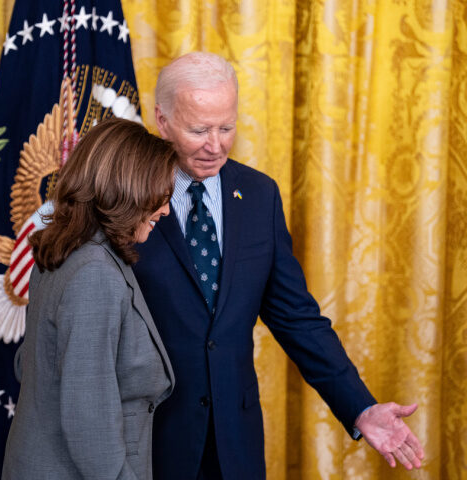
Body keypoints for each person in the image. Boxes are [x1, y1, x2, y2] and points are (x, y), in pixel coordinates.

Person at [132, 52, 425, 480]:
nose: (216, 145)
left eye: (226, 127)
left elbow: (297, 319)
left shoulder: (258, 195)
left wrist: (360, 407)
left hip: (235, 443)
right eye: (199, 130)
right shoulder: (125, 196)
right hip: (150, 438)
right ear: (162, 120)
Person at [2, 119, 177, 480]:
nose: (166, 210)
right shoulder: (93, 272)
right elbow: (88, 418)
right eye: (161, 196)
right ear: (128, 189)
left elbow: (32, 363)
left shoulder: (67, 248)